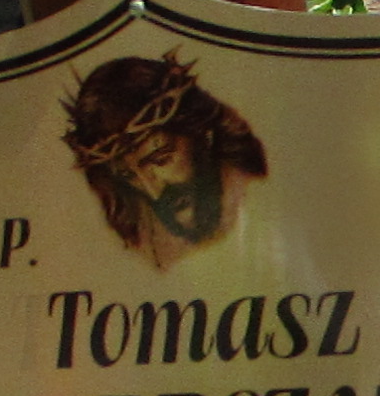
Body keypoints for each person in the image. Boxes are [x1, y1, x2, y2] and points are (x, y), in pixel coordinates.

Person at [61, 52, 265, 268]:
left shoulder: (256, 190)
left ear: (202, 134)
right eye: (128, 175)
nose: (154, 192)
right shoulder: (141, 244)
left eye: (160, 159)